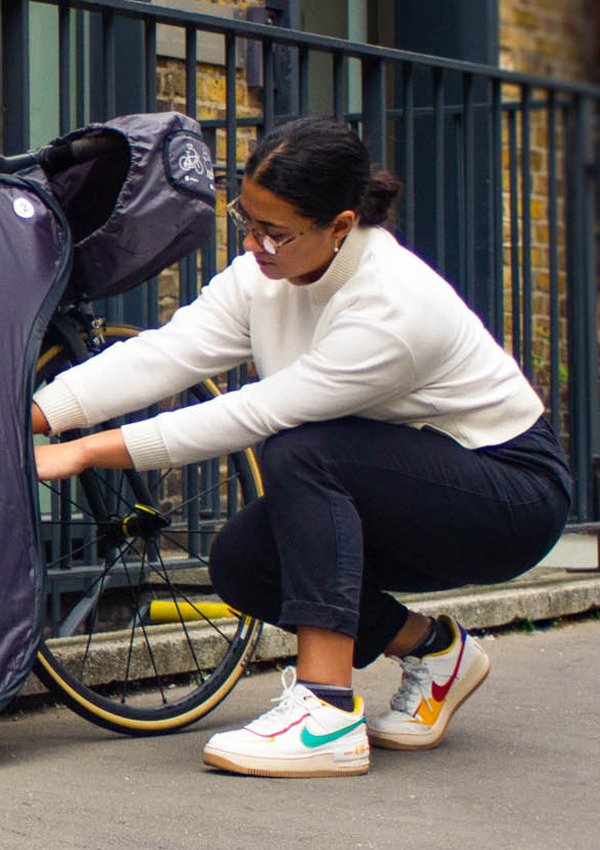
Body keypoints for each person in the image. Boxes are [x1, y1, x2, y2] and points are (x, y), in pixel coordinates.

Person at [30, 115, 571, 778]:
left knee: (302, 449)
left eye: (275, 232)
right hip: (401, 485)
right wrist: (35, 415)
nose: (254, 245)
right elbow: (169, 352)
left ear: (340, 226)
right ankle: (435, 652)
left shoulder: (393, 308)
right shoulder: (263, 275)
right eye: (245, 220)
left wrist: (85, 451)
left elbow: (257, 412)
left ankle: (327, 712)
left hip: (508, 496)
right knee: (245, 562)